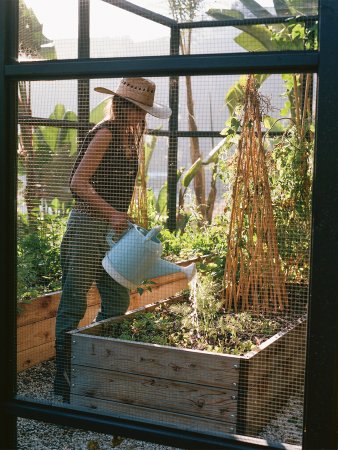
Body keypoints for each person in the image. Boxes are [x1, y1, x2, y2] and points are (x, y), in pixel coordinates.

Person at [54, 77, 171, 399]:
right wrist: (113, 213)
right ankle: (64, 387)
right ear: (123, 105)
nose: (142, 116)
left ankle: (97, 372)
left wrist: (120, 218)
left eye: (145, 110)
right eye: (138, 109)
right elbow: (77, 182)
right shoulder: (105, 132)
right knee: (74, 302)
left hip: (114, 230)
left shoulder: (128, 136)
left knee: (117, 301)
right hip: (89, 226)